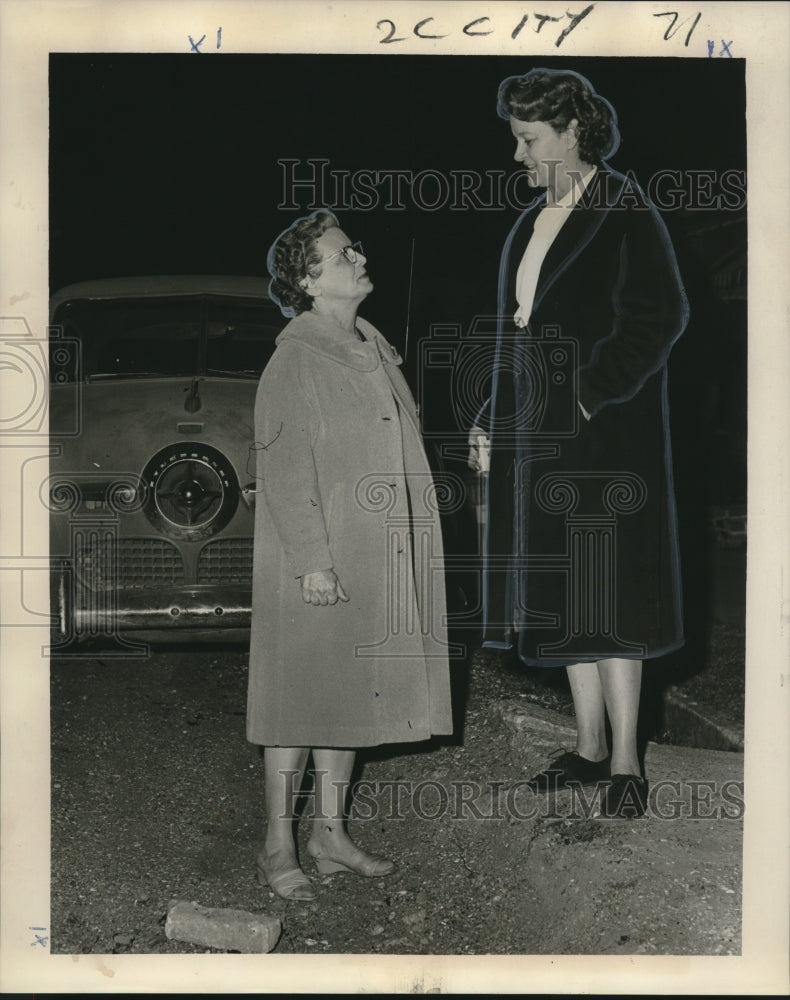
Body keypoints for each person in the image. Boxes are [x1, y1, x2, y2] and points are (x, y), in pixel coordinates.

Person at [468, 68, 689, 818]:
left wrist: (587, 394)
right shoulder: (534, 222)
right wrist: (492, 415)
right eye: (516, 140)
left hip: (603, 436)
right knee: (566, 586)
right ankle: (589, 746)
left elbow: (659, 318)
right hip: (537, 431)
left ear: (570, 132)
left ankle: (627, 761)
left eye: (529, 140)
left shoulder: (625, 210)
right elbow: (517, 336)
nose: (519, 155)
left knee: (609, 586)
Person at [247, 209, 453, 899]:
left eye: (354, 249)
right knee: (296, 702)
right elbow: (284, 469)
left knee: (343, 697)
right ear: (309, 282)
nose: (358, 259)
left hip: (373, 553)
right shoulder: (295, 358)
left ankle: (329, 835)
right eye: (342, 256)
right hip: (318, 558)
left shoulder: (373, 348)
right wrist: (312, 561)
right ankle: (278, 844)